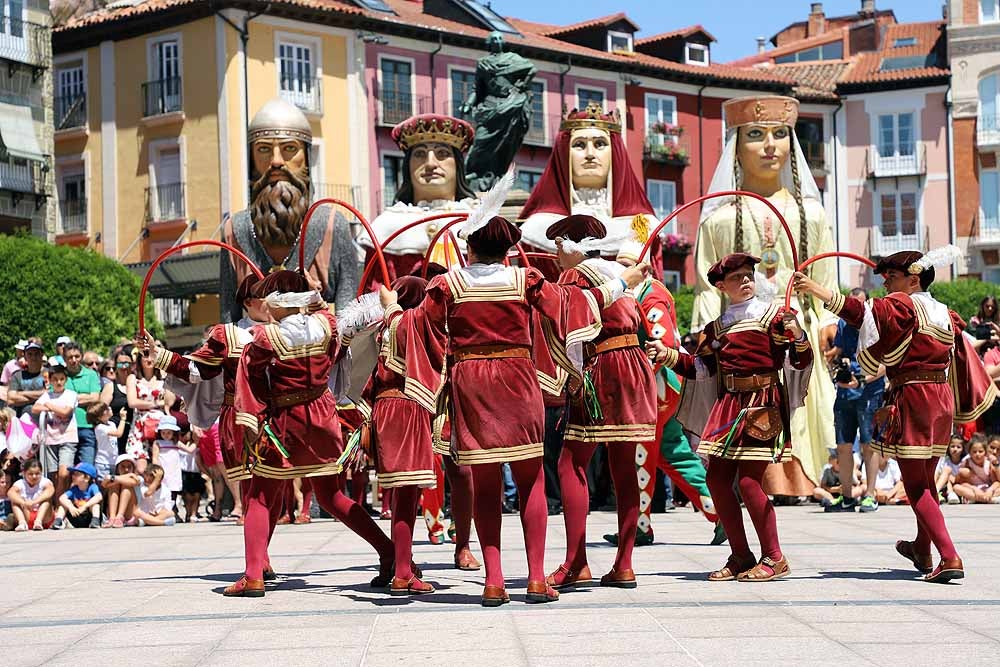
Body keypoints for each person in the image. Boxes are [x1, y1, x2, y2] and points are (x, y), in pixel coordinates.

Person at [380, 205, 651, 606]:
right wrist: (621, 284)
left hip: (472, 385)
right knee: (532, 481)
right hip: (519, 381)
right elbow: (575, 306)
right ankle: (538, 579)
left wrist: (390, 306)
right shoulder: (527, 279)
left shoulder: (449, 285)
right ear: (509, 249)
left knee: (488, 486)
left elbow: (412, 325)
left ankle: (494, 581)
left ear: (469, 248)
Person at [794, 247, 998, 582]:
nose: (886, 282)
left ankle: (949, 555)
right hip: (940, 399)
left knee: (916, 486)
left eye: (892, 276)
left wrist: (816, 289)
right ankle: (922, 547)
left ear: (913, 278)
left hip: (914, 397)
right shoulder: (944, 311)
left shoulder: (904, 304)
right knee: (926, 479)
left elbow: (859, 311)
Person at [694, 96, 837, 498]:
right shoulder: (718, 219)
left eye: (779, 134)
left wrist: (826, 322)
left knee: (801, 403)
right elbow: (707, 285)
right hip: (742, 332)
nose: (770, 145)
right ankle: (757, 479)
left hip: (796, 325)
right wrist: (704, 334)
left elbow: (826, 275)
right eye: (756, 135)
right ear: (737, 146)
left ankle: (801, 479)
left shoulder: (812, 213)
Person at [228, 270, 395, 597]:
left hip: (284, 423)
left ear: (276, 302)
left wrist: (248, 424)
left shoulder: (264, 338)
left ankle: (253, 576)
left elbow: (249, 380)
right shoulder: (327, 326)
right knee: (332, 498)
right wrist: (315, 299)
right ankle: (389, 551)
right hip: (321, 419)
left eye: (266, 298)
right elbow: (335, 334)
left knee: (260, 497)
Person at [650, 253, 812, 582]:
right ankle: (740, 554)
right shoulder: (717, 328)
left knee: (750, 482)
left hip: (762, 405)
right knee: (716, 480)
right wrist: (667, 355)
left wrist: (799, 336)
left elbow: (801, 359)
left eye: (748, 274)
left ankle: (775, 557)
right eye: (737, 277)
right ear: (722, 287)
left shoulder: (776, 316)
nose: (746, 280)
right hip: (729, 406)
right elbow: (700, 369)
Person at [542, 214, 656, 591]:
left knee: (570, 462)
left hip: (602, 368)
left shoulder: (577, 276)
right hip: (633, 365)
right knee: (624, 466)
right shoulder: (616, 274)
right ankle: (624, 564)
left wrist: (570, 379)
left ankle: (576, 562)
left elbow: (569, 324)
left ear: (574, 246)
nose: (555, 254)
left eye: (559, 246)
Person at [607, 240, 723, 547]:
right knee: (672, 452)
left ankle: (639, 527)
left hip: (656, 389)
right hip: (666, 388)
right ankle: (718, 512)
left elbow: (664, 340)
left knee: (641, 453)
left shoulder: (651, 296)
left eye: (625, 264)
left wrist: (634, 373)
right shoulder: (642, 293)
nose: (620, 270)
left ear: (641, 268)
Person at [220, 97, 359, 322]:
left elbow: (349, 319)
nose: (276, 161)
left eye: (289, 149)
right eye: (264, 149)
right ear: (251, 159)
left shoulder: (333, 225)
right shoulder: (234, 231)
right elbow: (227, 319)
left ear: (305, 157)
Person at [357, 275, 438, 595]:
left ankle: (399, 563)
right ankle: (403, 571)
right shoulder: (410, 323)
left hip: (385, 407)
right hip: (407, 406)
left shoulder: (386, 328)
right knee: (406, 494)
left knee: (403, 492)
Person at [519, 104, 659, 278]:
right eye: (579, 145)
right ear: (564, 155)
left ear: (614, 154)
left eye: (600, 144)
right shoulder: (536, 229)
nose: (590, 154)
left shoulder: (641, 226)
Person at [360, 113, 476, 281]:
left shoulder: (480, 222)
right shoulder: (386, 225)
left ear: (457, 164)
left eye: (442, 153)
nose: (430, 164)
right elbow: (374, 295)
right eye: (420, 154)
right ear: (408, 166)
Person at [826, 288, 886, 513]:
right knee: (843, 446)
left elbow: (887, 362)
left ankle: (870, 495)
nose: (854, 311)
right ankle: (847, 496)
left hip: (870, 390)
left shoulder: (877, 325)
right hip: (845, 391)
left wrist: (862, 380)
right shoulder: (842, 324)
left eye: (859, 305)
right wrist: (833, 364)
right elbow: (839, 352)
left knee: (869, 444)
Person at [33, 364, 79, 497]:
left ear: (66, 379)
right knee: (53, 476)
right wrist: (48, 405)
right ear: (51, 380)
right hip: (51, 439)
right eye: (55, 379)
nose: (58, 382)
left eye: (61, 379)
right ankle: (55, 504)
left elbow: (65, 412)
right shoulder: (48, 395)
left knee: (64, 474)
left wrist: (49, 405)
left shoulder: (71, 394)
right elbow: (35, 408)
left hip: (67, 438)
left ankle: (61, 505)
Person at [125, 347, 169, 472]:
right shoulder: (133, 378)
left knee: (161, 466)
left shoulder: (163, 377)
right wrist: (156, 403)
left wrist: (146, 403)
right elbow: (132, 402)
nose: (149, 359)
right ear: (139, 359)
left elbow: (169, 401)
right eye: (145, 356)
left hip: (161, 426)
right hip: (140, 425)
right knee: (140, 468)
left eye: (152, 356)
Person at [63, 343, 102, 467]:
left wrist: (69, 398)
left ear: (81, 356)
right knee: (67, 470)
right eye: (70, 357)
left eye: (77, 356)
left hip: (87, 426)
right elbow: (58, 399)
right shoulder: (60, 376)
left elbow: (95, 398)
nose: (74, 360)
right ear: (64, 358)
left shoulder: (91, 375)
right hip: (65, 428)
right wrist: (85, 397)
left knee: (87, 469)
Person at [100, 349, 134, 454]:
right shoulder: (110, 387)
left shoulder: (138, 385)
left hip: (134, 433)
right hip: (115, 435)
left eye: (127, 363)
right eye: (120, 364)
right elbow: (100, 411)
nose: (124, 367)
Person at [52, 461, 102, 530]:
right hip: (76, 515)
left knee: (95, 505)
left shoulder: (93, 487)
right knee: (64, 505)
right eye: (73, 474)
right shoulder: (74, 489)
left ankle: (95, 521)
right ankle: (58, 521)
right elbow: (62, 498)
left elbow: (99, 496)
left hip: (88, 517)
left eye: (77, 474)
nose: (73, 476)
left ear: (87, 478)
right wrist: (71, 507)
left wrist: (85, 506)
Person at [8, 458, 54, 531]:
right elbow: (10, 493)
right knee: (15, 501)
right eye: (30, 474)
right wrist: (24, 502)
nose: (34, 476)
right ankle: (22, 523)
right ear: (24, 473)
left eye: (37, 474)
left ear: (41, 473)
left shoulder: (45, 481)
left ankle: (38, 522)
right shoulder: (20, 483)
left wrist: (34, 502)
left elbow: (50, 491)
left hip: (44, 517)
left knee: (47, 500)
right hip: (27, 515)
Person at [7, 341, 47, 422]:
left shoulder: (49, 374)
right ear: (25, 357)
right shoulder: (17, 375)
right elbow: (11, 399)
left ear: (42, 355)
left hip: (46, 423)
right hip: (22, 423)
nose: (33, 357)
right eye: (30, 354)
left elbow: (51, 394)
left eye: (36, 354)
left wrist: (22, 393)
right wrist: (41, 395)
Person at [953, 436, 1000, 503]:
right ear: (969, 453)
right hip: (973, 490)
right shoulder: (967, 463)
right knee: (956, 487)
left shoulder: (988, 464)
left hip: (987, 490)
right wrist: (974, 489)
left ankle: (979, 499)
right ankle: (988, 500)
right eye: (974, 452)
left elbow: (996, 482)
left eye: (980, 451)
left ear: (985, 452)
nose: (977, 454)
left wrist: (990, 490)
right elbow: (962, 483)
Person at [88, 402, 128, 482]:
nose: (109, 409)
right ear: (99, 417)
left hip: (113, 461)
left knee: (112, 486)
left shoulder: (111, 424)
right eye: (106, 410)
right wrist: (123, 419)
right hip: (103, 463)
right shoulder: (100, 428)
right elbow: (118, 433)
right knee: (103, 486)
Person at [151, 414, 183, 512]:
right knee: (164, 490)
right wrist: (157, 468)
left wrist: (197, 441)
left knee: (174, 490)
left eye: (169, 432)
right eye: (163, 432)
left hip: (174, 471)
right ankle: (164, 509)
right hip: (163, 470)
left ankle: (173, 509)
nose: (166, 435)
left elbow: (190, 450)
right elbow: (155, 457)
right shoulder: (157, 443)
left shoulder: (176, 443)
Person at [101, 454, 142, 528]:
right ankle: (112, 517)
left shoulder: (137, 478)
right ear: (117, 468)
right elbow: (104, 484)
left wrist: (111, 477)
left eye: (129, 467)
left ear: (133, 468)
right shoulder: (115, 478)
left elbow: (131, 482)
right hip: (113, 513)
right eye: (123, 466)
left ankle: (120, 516)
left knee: (126, 485)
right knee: (114, 485)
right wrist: (125, 476)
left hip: (130, 513)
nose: (126, 470)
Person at [934, 436, 966, 505]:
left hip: (959, 485)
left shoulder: (965, 461)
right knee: (947, 470)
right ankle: (936, 492)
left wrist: (954, 478)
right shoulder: (944, 460)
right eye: (952, 446)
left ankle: (950, 494)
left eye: (958, 447)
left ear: (963, 449)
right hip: (945, 485)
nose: (955, 449)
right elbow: (938, 473)